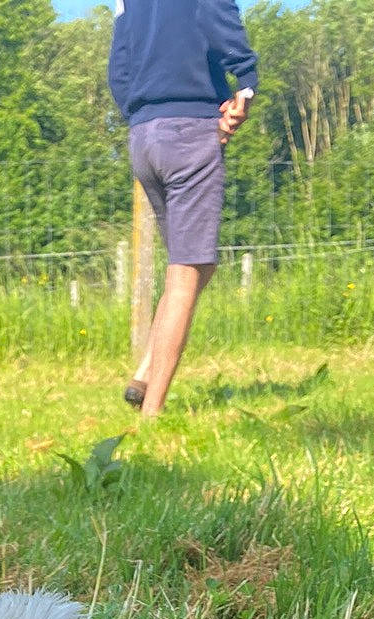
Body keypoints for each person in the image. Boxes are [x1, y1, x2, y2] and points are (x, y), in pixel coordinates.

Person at [108, 0, 258, 416]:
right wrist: (245, 84)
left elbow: (119, 65)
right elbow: (221, 23)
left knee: (197, 264)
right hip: (189, 132)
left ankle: (144, 372)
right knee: (186, 271)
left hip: (144, 137)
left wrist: (139, 115)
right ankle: (152, 415)